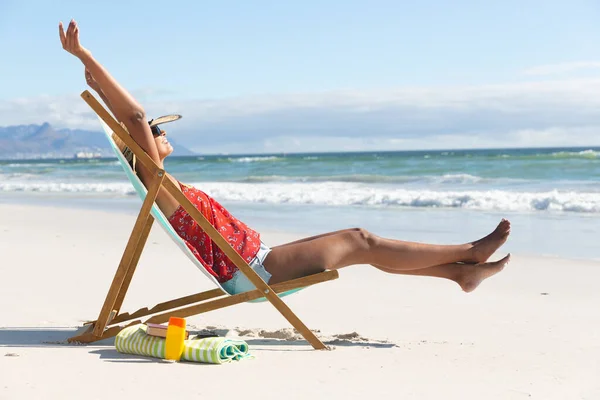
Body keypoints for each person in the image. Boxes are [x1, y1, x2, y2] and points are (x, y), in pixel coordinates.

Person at [59, 20, 511, 296]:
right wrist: (88, 56)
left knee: (362, 248)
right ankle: (471, 252)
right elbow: (134, 115)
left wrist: (97, 87)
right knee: (361, 240)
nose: (161, 131)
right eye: (156, 131)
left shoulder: (161, 181)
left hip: (258, 262)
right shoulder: (155, 178)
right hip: (256, 272)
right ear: (141, 144)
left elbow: (132, 118)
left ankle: (459, 274)